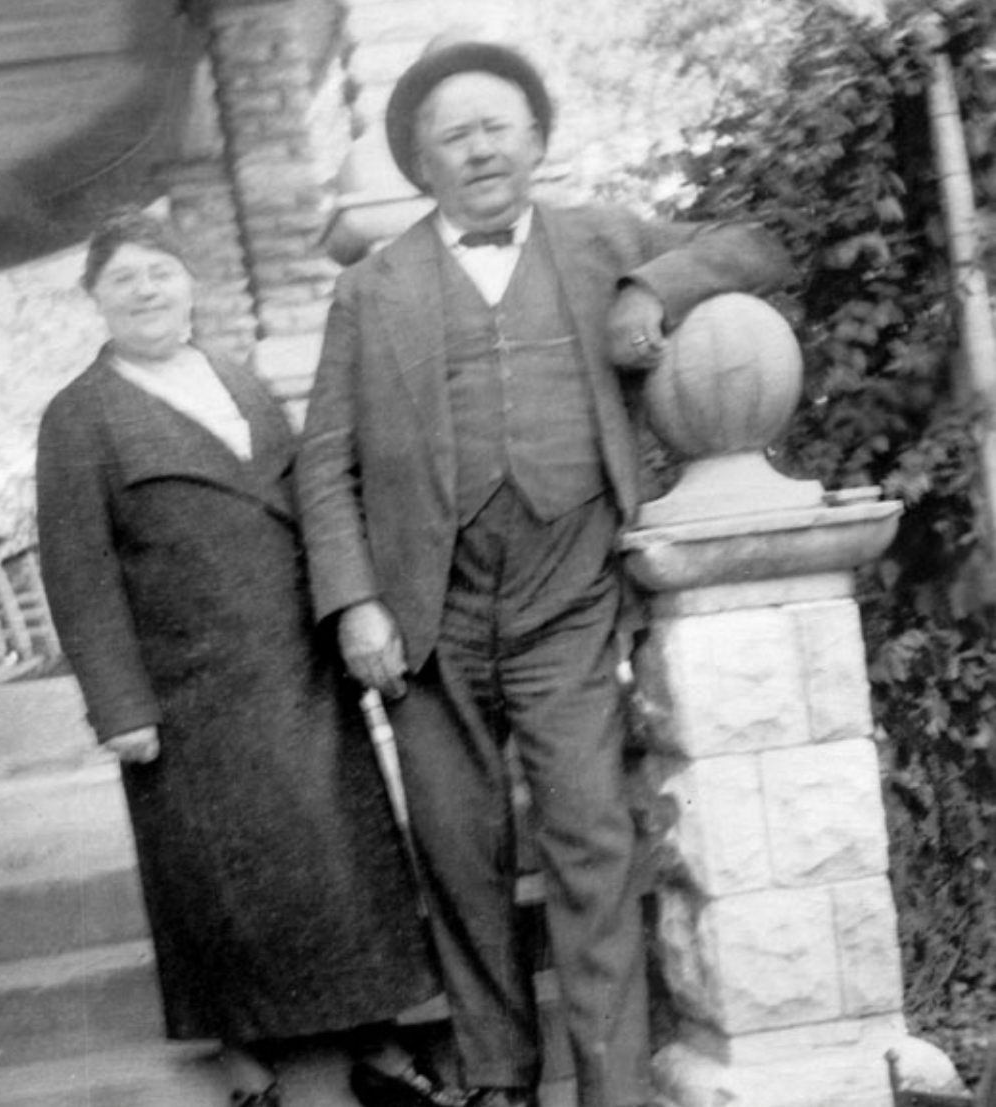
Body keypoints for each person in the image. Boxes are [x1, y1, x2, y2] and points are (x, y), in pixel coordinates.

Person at [295, 39, 795, 1107]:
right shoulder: (370, 292)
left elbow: (757, 246)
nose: (478, 150)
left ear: (533, 140)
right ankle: (499, 1084)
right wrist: (354, 603)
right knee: (460, 863)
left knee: (591, 843)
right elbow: (323, 464)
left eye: (496, 127)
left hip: (568, 599)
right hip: (427, 616)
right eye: (452, 136)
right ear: (421, 162)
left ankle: (615, 1086)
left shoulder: (601, 239)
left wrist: (651, 284)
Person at [36, 209, 471, 1107]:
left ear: (189, 282)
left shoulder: (236, 378)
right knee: (230, 881)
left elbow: (310, 497)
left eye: (161, 270)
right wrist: (120, 705)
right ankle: (270, 1061)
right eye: (124, 279)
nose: (147, 290)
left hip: (300, 665)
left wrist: (351, 612)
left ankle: (373, 1040)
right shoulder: (80, 416)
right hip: (190, 691)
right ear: (95, 300)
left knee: (343, 862)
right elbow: (77, 572)